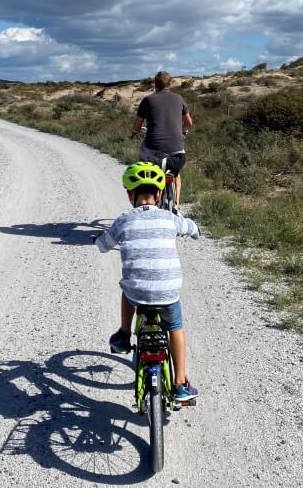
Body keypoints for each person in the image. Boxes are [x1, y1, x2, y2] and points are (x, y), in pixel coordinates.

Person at [95, 161, 200, 402]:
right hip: (168, 292)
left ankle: (123, 334)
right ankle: (180, 383)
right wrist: (195, 230)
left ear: (130, 195)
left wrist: (97, 240)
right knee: (176, 328)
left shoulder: (123, 220)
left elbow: (103, 245)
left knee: (127, 288)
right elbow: (190, 228)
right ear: (160, 194)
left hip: (137, 293)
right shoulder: (170, 218)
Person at [132, 71, 193, 210]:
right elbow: (189, 123)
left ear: (155, 84)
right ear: (170, 84)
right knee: (176, 175)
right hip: (176, 150)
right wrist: (183, 131)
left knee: (144, 165)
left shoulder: (147, 100)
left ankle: (146, 199)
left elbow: (136, 125)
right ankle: (176, 206)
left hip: (152, 150)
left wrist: (134, 132)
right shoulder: (179, 98)